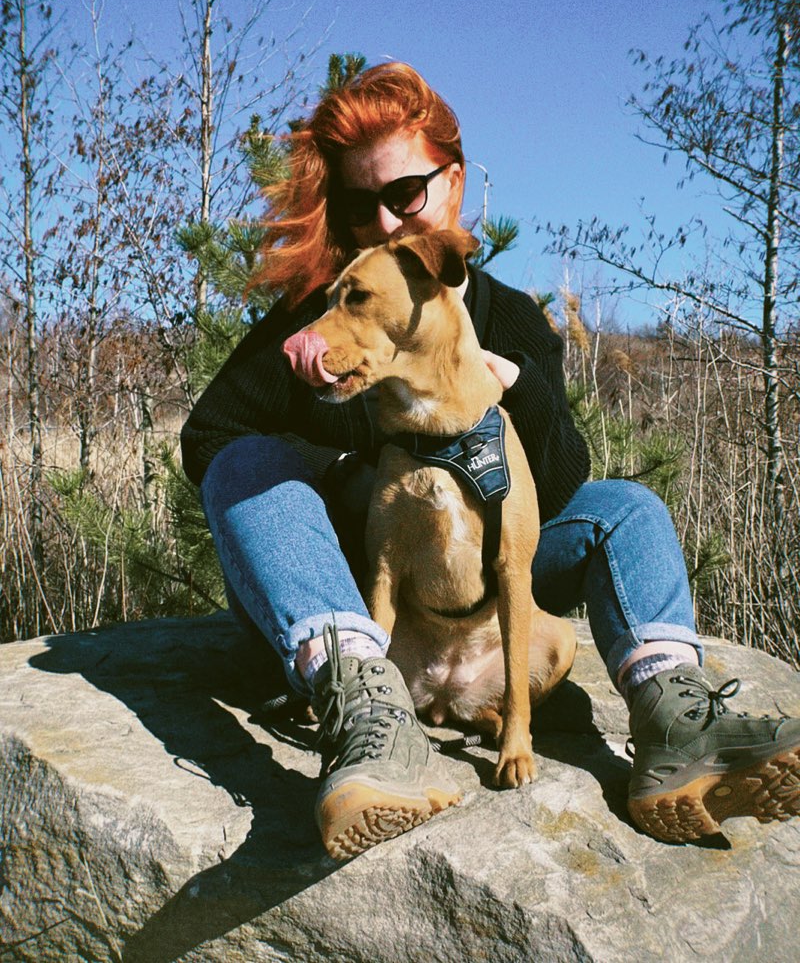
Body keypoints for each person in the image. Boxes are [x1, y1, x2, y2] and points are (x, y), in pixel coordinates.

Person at [181, 61, 800, 860]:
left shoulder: (508, 318)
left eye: (405, 193)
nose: (384, 222)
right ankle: (367, 712)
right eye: (359, 204)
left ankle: (677, 720)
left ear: (455, 181)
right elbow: (210, 439)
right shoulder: (328, 316)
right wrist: (349, 474)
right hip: (365, 581)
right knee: (246, 464)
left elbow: (562, 485)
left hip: (488, 562)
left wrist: (517, 386)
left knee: (627, 509)